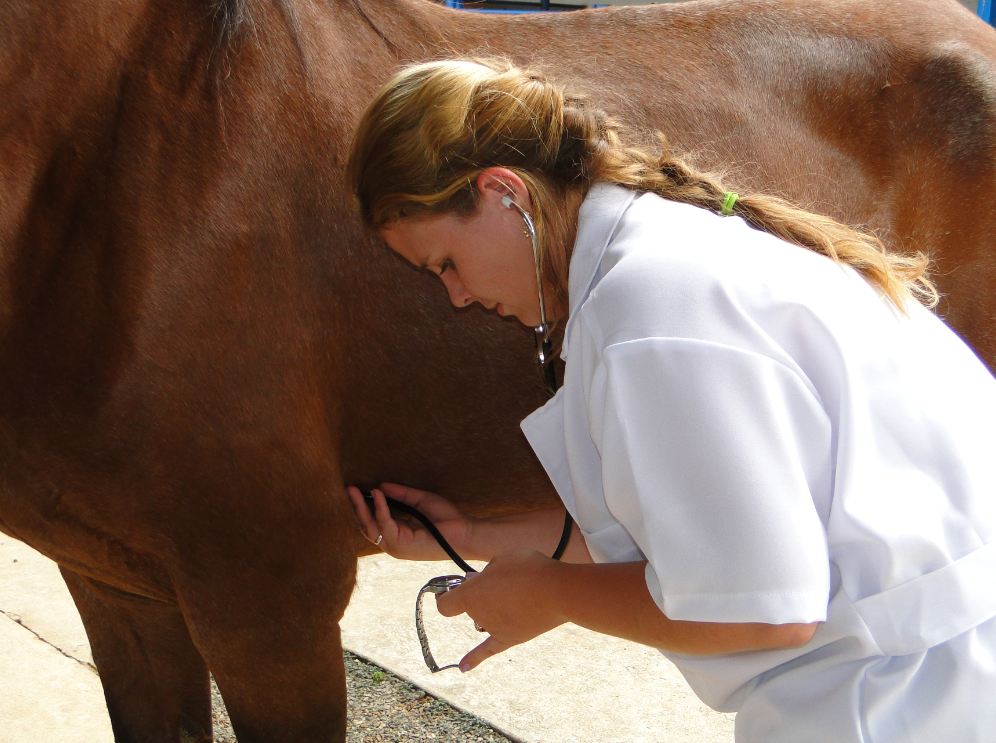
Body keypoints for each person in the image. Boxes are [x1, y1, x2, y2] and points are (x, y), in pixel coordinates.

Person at [343, 57, 996, 742]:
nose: (458, 295)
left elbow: (764, 607)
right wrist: (475, 537)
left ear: (505, 193)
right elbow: (694, 534)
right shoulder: (659, 257)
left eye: (444, 262)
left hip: (911, 700)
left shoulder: (649, 315)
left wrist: (547, 594)